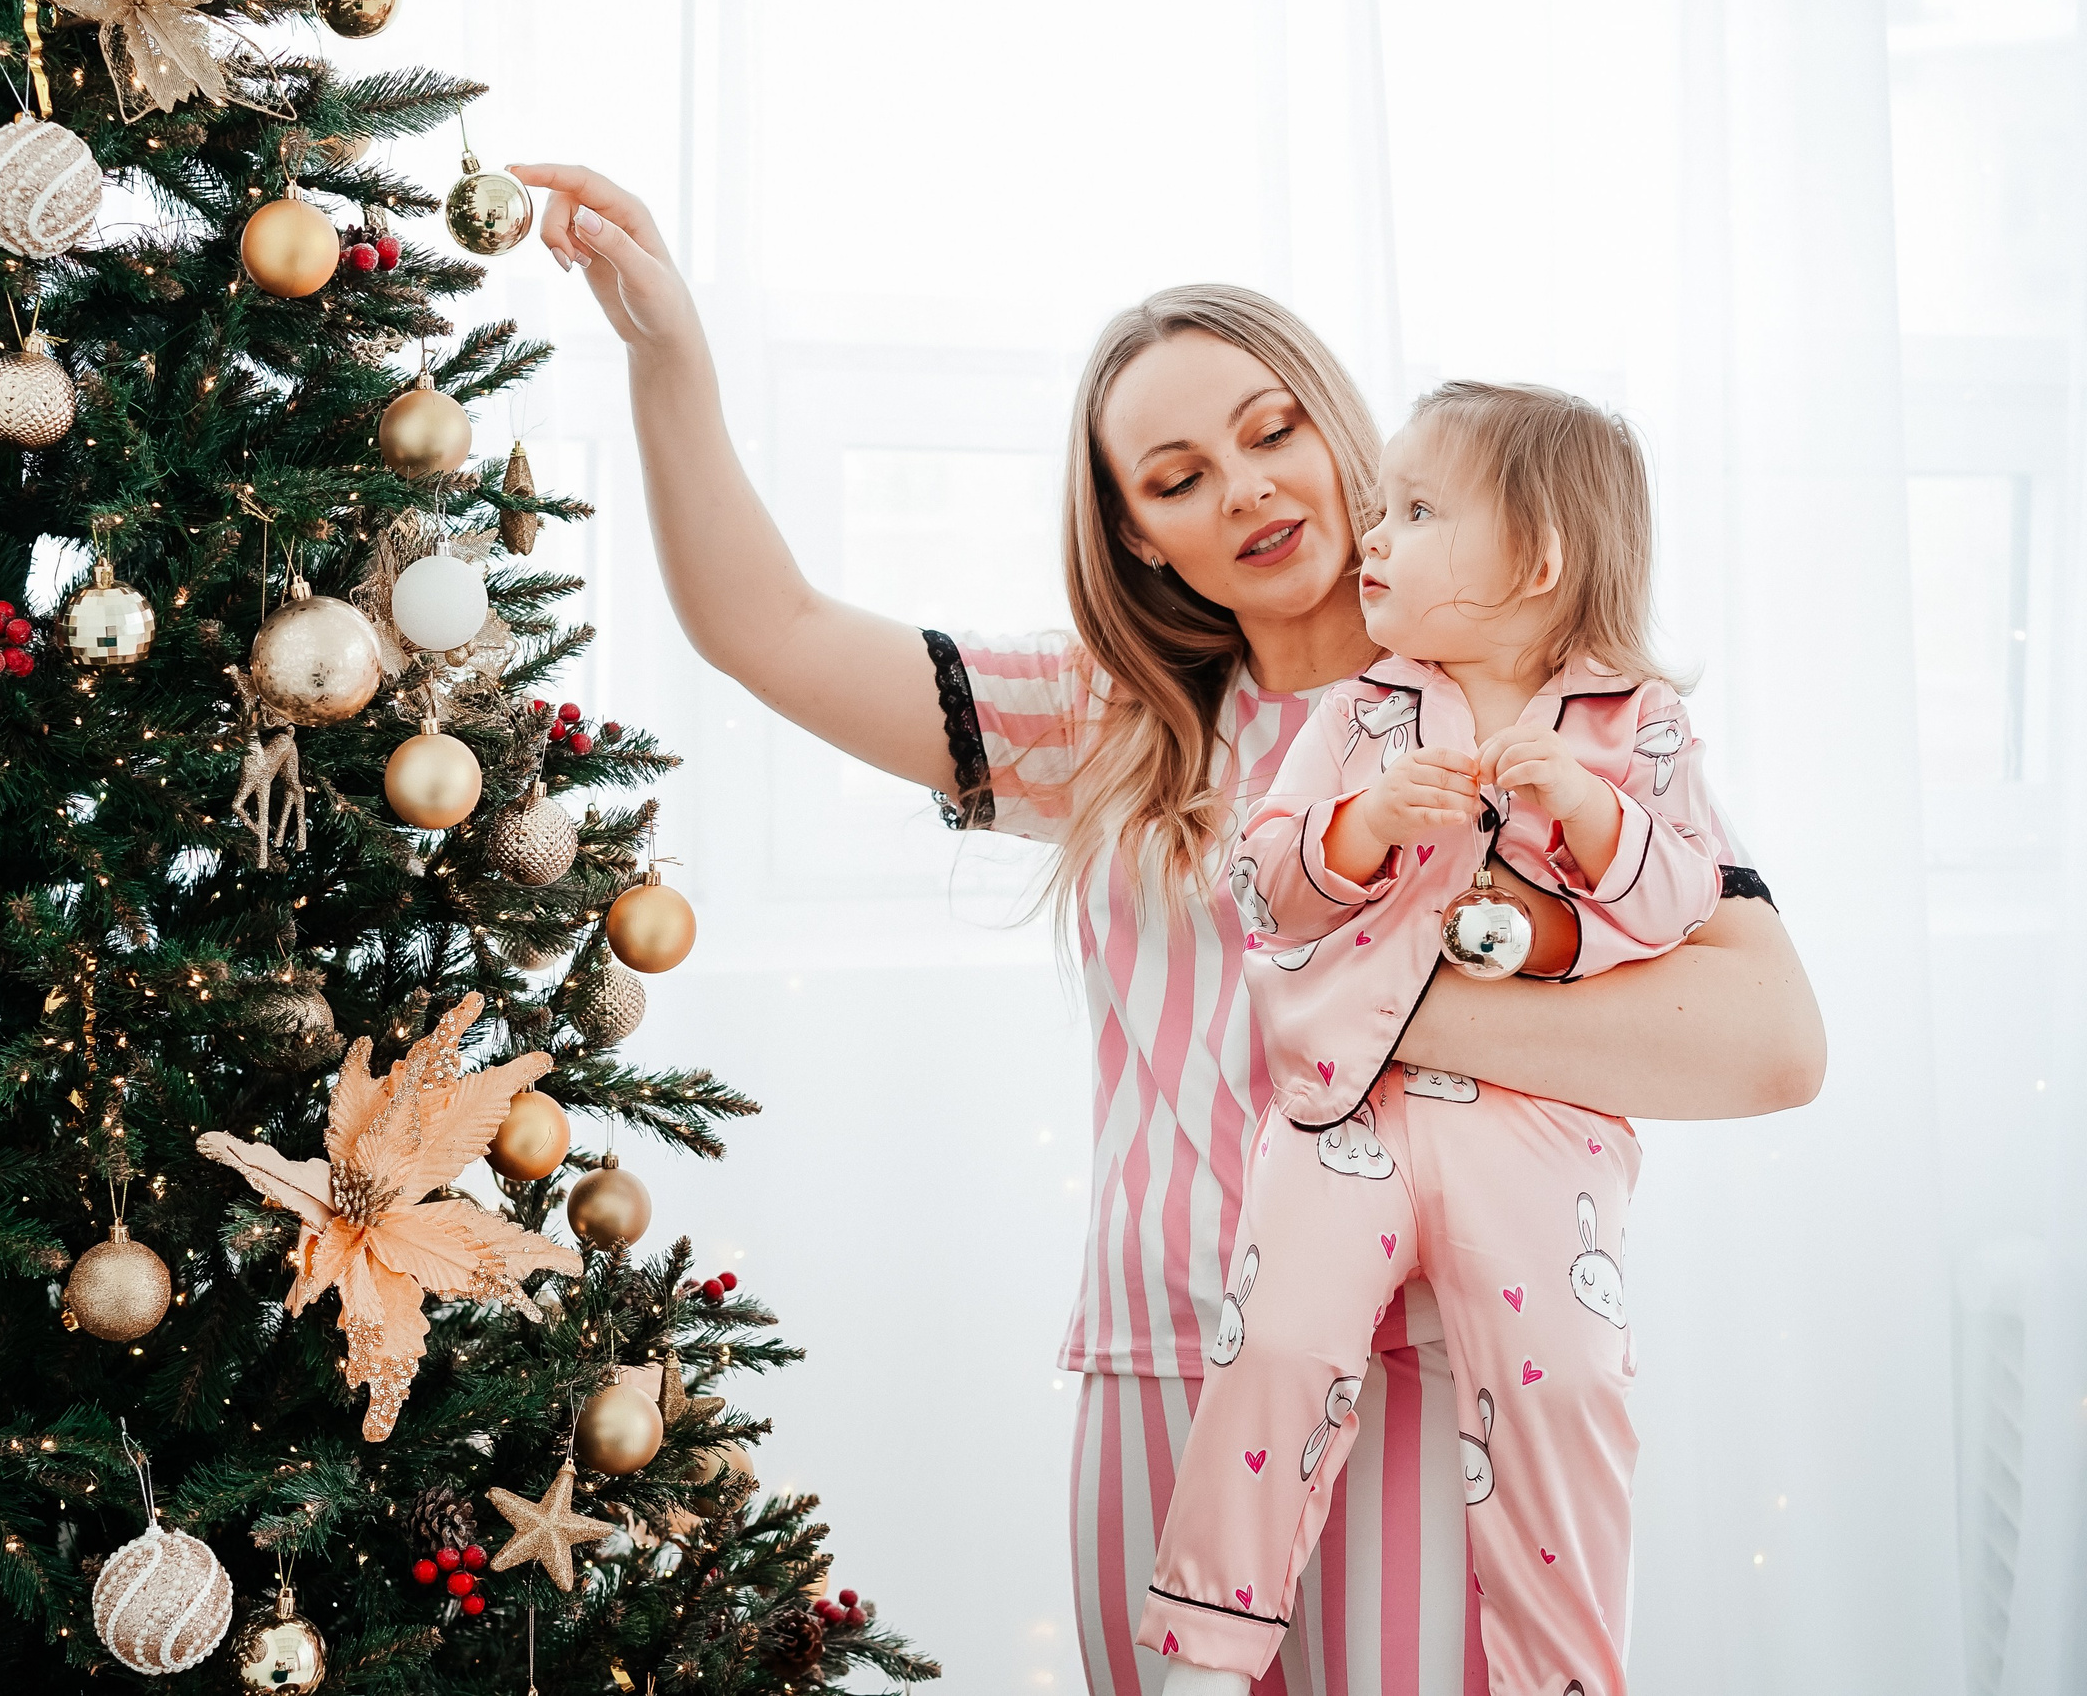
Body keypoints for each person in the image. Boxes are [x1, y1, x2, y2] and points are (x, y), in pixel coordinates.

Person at [511, 163, 1825, 1696]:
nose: (1248, 488)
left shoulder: (1557, 711)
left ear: (1347, 442)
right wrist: (668, 349)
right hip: (1160, 1369)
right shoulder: (1112, 724)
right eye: (1179, 476)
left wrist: (1374, 1005)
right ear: (1138, 536)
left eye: (1273, 433)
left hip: (1435, 1367)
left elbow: (1771, 1043)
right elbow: (770, 628)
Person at [1140, 382, 1724, 1696]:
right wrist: (1361, 828)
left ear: (1537, 558)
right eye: (1382, 509)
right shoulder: (1362, 712)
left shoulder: (1638, 725)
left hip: (1538, 1123)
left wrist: (1591, 814)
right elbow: (1261, 886)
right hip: (1350, 1104)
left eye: (1414, 511)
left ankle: (1563, 1676)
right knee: (1277, 1344)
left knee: (1568, 1385)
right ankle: (1209, 1655)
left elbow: (1685, 902)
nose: (1373, 536)